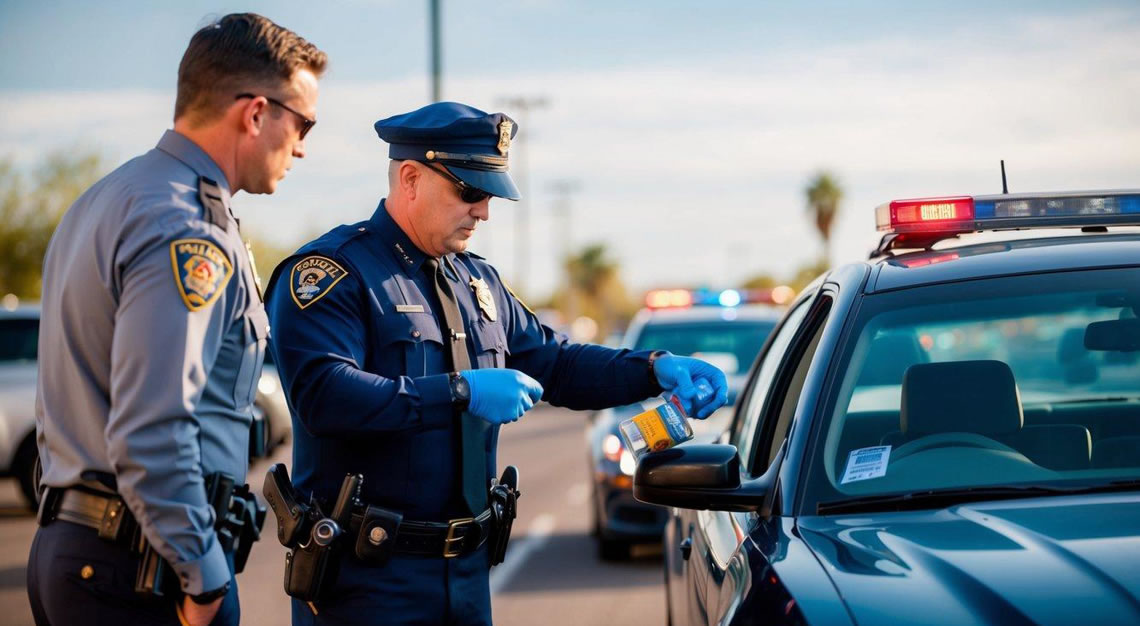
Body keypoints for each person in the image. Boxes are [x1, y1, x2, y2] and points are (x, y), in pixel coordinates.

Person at [264, 101, 728, 625]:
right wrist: (461, 391)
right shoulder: (333, 275)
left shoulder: (476, 282)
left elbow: (556, 363)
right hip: (367, 583)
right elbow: (323, 395)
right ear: (411, 179)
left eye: (489, 196)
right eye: (470, 191)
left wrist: (653, 368)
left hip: (466, 576)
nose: (483, 211)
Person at [27, 13, 326, 626]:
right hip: (142, 572)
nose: (302, 146)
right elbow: (153, 427)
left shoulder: (109, 197)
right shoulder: (187, 228)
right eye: (303, 123)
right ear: (255, 113)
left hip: (84, 550)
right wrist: (204, 576)